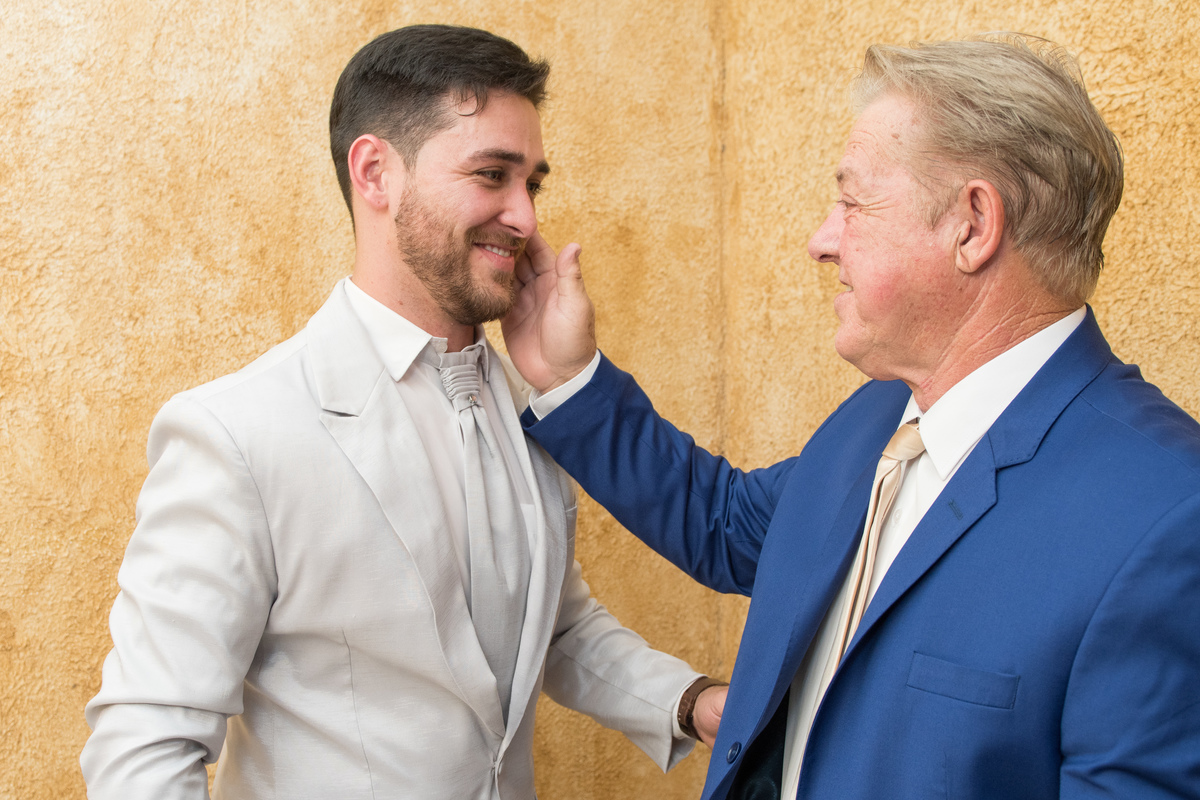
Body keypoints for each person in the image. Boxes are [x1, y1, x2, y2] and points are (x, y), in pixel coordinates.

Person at [503, 34, 1200, 800]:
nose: (820, 242)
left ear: (972, 225)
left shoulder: (1169, 519)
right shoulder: (882, 418)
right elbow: (729, 524)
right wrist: (570, 379)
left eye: (852, 201)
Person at [81, 24, 726, 800]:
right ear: (376, 173)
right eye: (492, 175)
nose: (525, 217)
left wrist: (693, 704)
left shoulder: (529, 406)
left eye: (532, 184)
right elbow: (144, 749)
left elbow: (553, 628)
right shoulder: (236, 433)